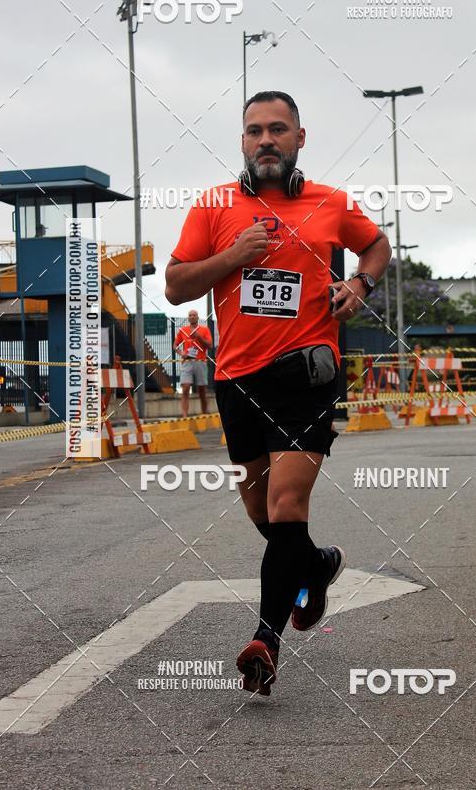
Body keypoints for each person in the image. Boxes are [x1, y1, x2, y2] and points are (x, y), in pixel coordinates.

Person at [165, 90, 391, 695]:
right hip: (238, 379)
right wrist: (233, 256)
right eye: (254, 131)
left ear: (299, 138)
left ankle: (265, 639)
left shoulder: (330, 203)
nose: (266, 140)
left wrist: (361, 283)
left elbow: (377, 244)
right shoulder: (214, 206)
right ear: (242, 140)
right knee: (263, 514)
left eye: (278, 130)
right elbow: (175, 286)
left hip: (306, 374)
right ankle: (315, 566)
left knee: (288, 507)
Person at [173, 310, 213, 416]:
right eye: (190, 315)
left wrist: (199, 337)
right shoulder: (183, 330)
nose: (192, 317)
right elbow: (175, 345)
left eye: (194, 315)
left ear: (197, 317)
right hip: (187, 361)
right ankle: (184, 415)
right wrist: (181, 353)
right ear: (188, 318)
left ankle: (204, 412)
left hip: (200, 361)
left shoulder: (204, 330)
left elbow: (209, 345)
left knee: (202, 390)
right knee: (185, 388)